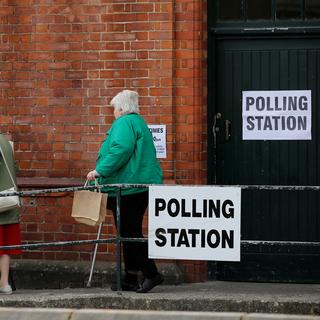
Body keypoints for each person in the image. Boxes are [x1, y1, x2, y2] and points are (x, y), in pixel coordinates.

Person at [86, 90, 163, 293]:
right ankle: (130, 277)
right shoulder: (139, 122)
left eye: (114, 108)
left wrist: (100, 171)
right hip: (140, 186)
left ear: (121, 108)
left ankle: (152, 274)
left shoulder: (123, 123)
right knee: (129, 231)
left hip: (127, 187)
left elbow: (120, 149)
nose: (113, 112)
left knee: (129, 233)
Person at [0, 133, 22, 294]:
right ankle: (4, 283)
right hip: (9, 203)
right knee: (5, 247)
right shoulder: (6, 142)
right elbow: (15, 168)